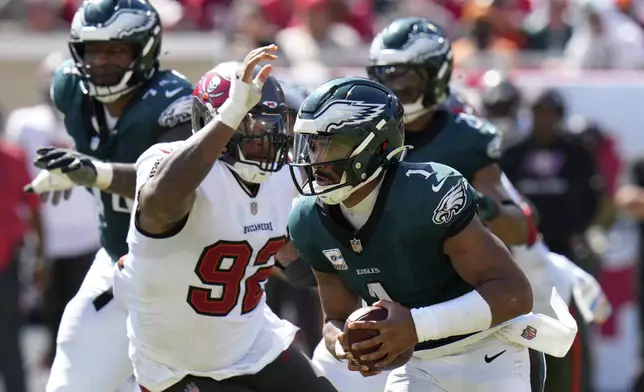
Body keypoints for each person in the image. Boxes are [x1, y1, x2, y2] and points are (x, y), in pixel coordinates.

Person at [288, 76, 576, 392]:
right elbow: (336, 316)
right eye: (312, 146)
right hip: (418, 364)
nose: (316, 162)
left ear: (375, 145)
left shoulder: (428, 194)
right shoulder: (308, 218)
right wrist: (346, 344)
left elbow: (513, 292)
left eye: (332, 145)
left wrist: (416, 325)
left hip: (491, 349)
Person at [114, 46, 336, 392]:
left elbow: (298, 261)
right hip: (179, 364)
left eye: (272, 125)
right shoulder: (170, 164)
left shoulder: (284, 177)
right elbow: (161, 202)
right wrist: (232, 111)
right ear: (214, 121)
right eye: (250, 124)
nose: (264, 139)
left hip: (254, 343)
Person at [24, 0, 194, 390]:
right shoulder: (70, 88)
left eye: (115, 49)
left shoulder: (174, 101)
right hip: (118, 258)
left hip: (184, 272)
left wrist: (94, 173)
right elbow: (106, 149)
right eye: (93, 49)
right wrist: (81, 172)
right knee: (73, 366)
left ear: (144, 49)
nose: (101, 60)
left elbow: (170, 187)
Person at [501, 89, 603, 392]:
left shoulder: (576, 151)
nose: (544, 120)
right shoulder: (513, 152)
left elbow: (593, 197)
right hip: (519, 258)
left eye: (551, 114)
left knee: (571, 334)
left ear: (560, 117)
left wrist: (580, 230)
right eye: (538, 113)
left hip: (565, 255)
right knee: (520, 333)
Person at [5, 51, 101, 366]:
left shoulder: (96, 121)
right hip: (45, 236)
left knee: (88, 317)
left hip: (89, 235)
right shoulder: (26, 123)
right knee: (49, 316)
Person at [0, 136, 43, 392]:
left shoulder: (12, 156)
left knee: (9, 340)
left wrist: (40, 256)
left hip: (7, 262)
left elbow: (33, 206)